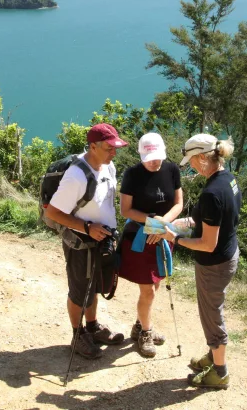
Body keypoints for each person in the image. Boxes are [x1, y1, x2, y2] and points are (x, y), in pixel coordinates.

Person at [162, 134, 241, 390]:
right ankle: (213, 355)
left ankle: (220, 372)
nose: (192, 166)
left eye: (193, 161)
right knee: (211, 312)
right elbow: (212, 220)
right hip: (228, 255)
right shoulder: (227, 180)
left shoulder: (211, 193)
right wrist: (178, 224)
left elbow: (208, 243)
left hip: (214, 263)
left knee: (211, 316)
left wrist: (174, 239)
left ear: (203, 157)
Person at [44, 123, 128, 359]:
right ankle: (78, 334)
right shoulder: (76, 176)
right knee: (80, 291)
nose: (114, 153)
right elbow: (53, 212)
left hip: (102, 239)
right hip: (81, 242)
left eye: (115, 148)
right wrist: (87, 228)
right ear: (93, 146)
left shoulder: (107, 166)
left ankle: (92, 327)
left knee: (96, 286)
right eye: (109, 148)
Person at [117, 133, 183, 358]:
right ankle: (146, 331)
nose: (155, 162)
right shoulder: (132, 174)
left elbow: (178, 203)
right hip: (141, 236)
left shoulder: (172, 170)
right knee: (147, 289)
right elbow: (125, 210)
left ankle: (139, 324)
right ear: (141, 154)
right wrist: (154, 225)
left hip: (163, 234)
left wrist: (162, 225)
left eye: (158, 157)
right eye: (149, 158)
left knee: (155, 285)